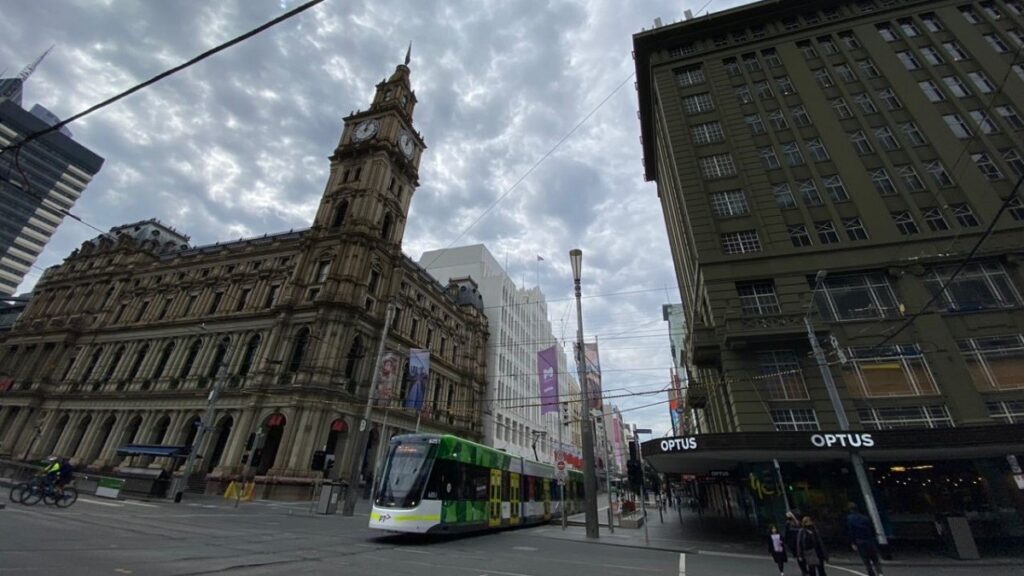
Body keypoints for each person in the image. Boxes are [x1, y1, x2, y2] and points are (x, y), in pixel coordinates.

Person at [845, 503, 884, 576]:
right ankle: (880, 573)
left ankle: (871, 574)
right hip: (869, 540)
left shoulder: (850, 519)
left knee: (866, 560)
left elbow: (851, 531)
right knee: (875, 558)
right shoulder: (865, 518)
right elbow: (872, 529)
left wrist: (853, 542)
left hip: (859, 541)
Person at [783, 511, 807, 576]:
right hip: (793, 543)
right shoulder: (788, 523)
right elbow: (789, 531)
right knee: (799, 556)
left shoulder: (797, 522)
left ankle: (805, 569)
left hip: (799, 541)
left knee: (802, 556)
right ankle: (804, 570)